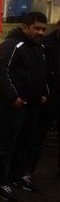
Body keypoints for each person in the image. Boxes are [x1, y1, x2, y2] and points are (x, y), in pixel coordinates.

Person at [0, 11, 48, 200]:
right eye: (36, 28)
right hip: (15, 106)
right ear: (25, 27)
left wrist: (44, 93)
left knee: (25, 143)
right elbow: (0, 72)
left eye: (43, 29)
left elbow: (42, 72)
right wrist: (12, 97)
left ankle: (16, 176)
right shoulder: (11, 45)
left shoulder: (38, 47)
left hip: (33, 104)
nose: (40, 32)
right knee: (7, 144)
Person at [27, 20, 60, 177]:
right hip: (48, 97)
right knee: (37, 136)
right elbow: (37, 70)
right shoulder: (45, 44)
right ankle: (27, 170)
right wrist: (42, 92)